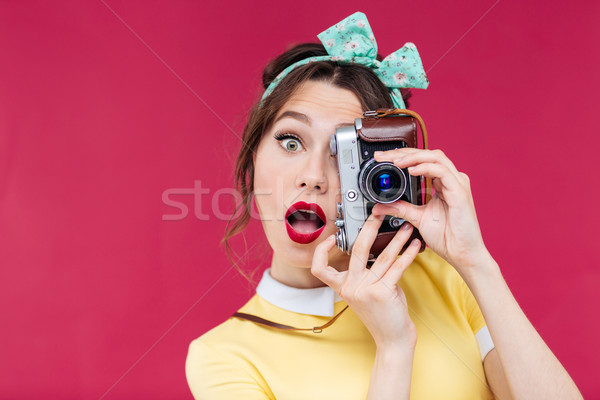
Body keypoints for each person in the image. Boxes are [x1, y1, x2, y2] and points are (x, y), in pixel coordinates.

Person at [185, 12, 582, 400]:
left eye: (344, 153)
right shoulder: (222, 359)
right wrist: (394, 348)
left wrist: (476, 263)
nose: (313, 176)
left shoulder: (449, 281)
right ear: (253, 158)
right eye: (291, 141)